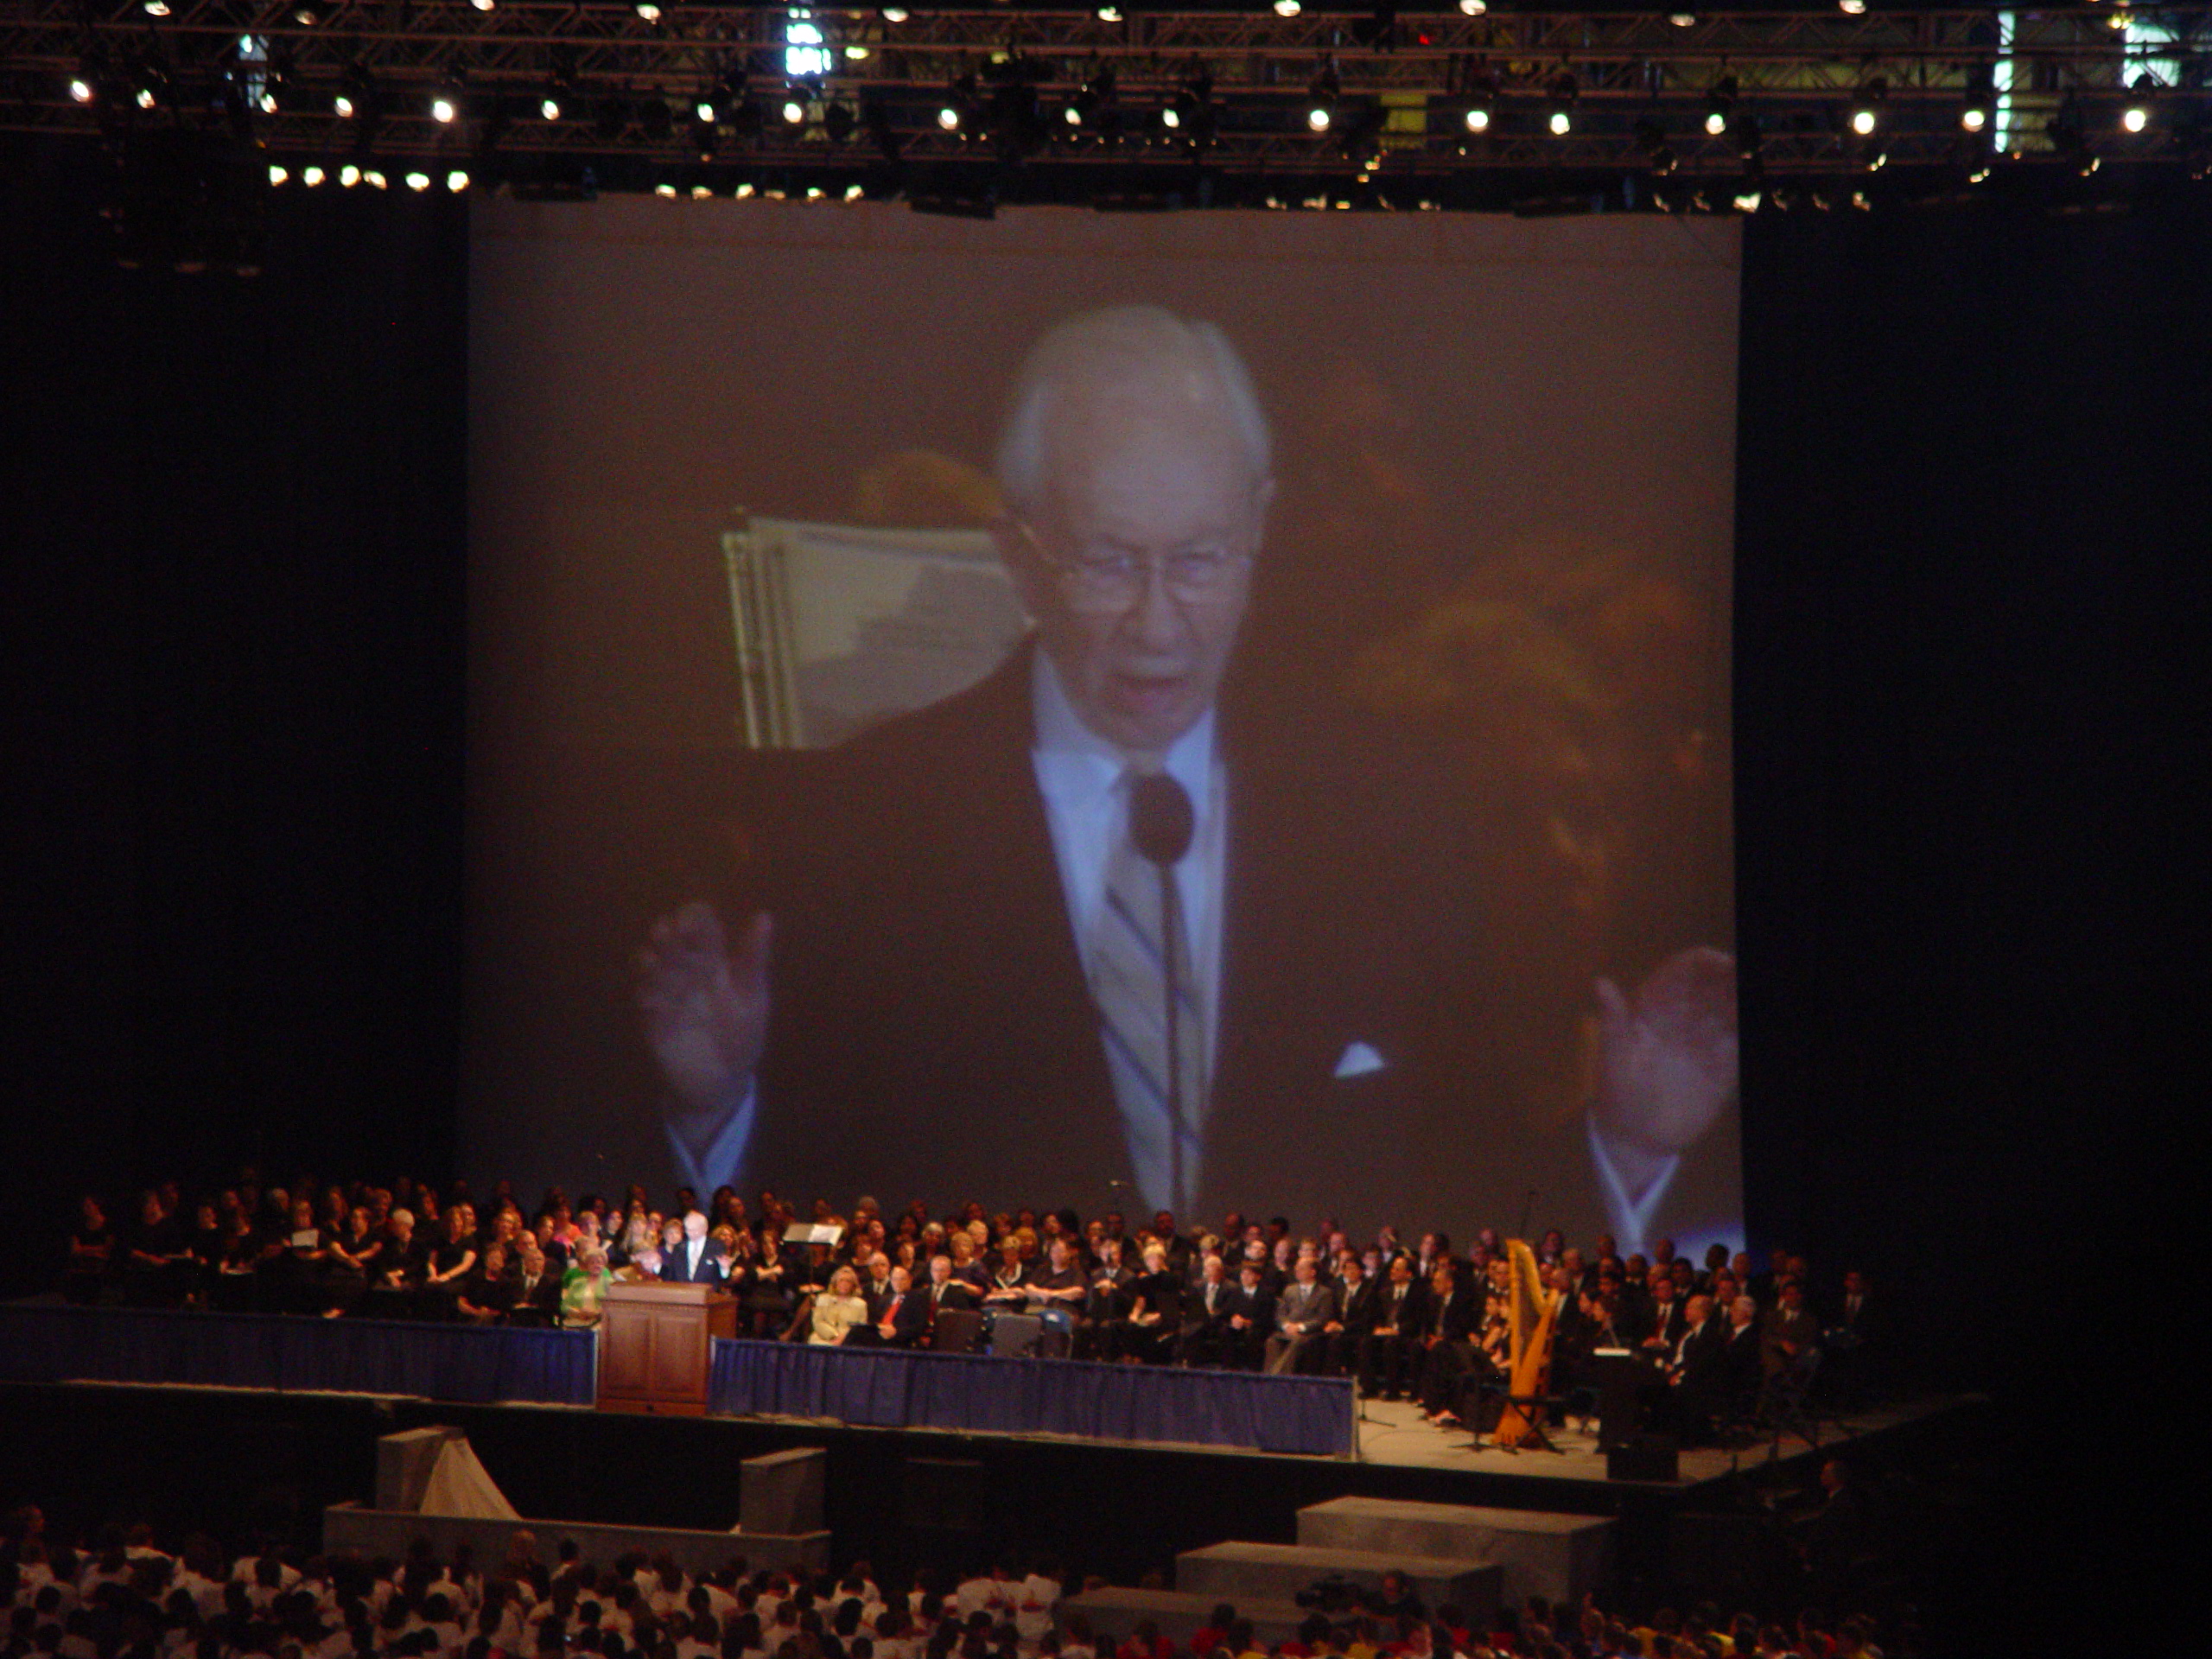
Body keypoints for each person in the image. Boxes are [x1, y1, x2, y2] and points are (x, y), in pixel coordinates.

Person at [633, 304, 1738, 1243]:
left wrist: (1627, 1142)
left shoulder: (1394, 810)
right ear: (1021, 553)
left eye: (1199, 561)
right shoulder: (869, 822)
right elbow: (817, 1200)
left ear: (1257, 533)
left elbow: (1460, 1186)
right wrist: (716, 1110)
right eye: (1111, 562)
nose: (1160, 626)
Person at [806, 1265, 869, 1345]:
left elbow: (860, 1329)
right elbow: (817, 1322)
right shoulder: (823, 1299)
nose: (844, 1284)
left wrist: (843, 1338)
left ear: (853, 1285)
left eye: (848, 1281)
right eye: (841, 1280)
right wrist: (834, 1335)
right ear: (835, 1283)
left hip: (847, 1341)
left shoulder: (860, 1304)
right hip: (822, 1338)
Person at [659, 1211, 726, 1286]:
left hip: (708, 1294)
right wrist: (657, 1266)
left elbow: (723, 1279)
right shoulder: (679, 1247)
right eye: (688, 1229)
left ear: (705, 1228)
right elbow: (670, 1275)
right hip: (683, 1294)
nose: (690, 1233)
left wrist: (724, 1269)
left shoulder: (716, 1246)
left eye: (694, 1230)